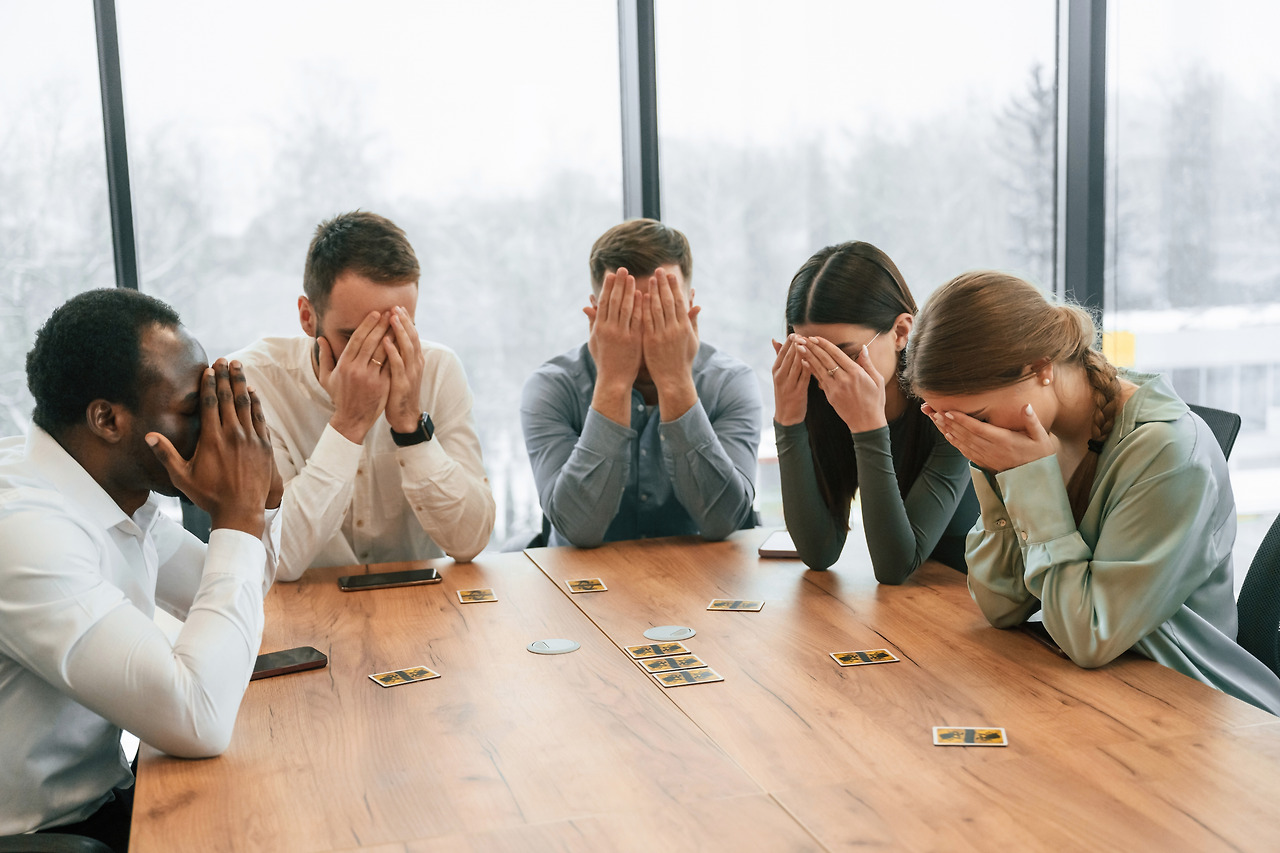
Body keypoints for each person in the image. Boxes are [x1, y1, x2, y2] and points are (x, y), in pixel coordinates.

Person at [903, 270, 1280, 715]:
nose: (966, 434)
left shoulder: (1168, 450)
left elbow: (1087, 635)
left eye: (977, 418)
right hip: (1093, 690)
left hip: (1189, 702)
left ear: (1040, 367)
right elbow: (999, 604)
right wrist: (995, 470)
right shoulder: (1031, 439)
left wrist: (1026, 478)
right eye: (947, 422)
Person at [0, 289, 282, 849]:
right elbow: (198, 718)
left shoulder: (112, 493)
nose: (215, 428)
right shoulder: (26, 530)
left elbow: (244, 589)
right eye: (193, 409)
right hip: (43, 836)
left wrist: (260, 498)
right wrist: (238, 513)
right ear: (107, 419)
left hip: (105, 804)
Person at [233, 211, 495, 579]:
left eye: (397, 332)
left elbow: (470, 542)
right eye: (355, 336)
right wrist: (348, 425)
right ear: (308, 317)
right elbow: (279, 559)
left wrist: (411, 427)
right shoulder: (253, 382)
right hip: (303, 604)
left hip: (420, 601)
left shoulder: (438, 369)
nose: (379, 355)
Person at [521, 218, 761, 547]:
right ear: (596, 314)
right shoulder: (552, 387)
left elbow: (724, 521)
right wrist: (613, 383)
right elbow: (577, 528)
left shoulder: (729, 382)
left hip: (701, 576)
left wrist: (676, 382)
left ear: (690, 306)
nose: (649, 326)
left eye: (665, 309)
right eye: (627, 311)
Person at [773, 241, 977, 579]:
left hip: (971, 590)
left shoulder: (950, 403)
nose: (829, 374)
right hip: (910, 602)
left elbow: (895, 566)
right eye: (812, 356)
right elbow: (818, 551)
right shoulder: (821, 395)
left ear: (901, 332)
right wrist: (788, 421)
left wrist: (867, 427)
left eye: (846, 355)